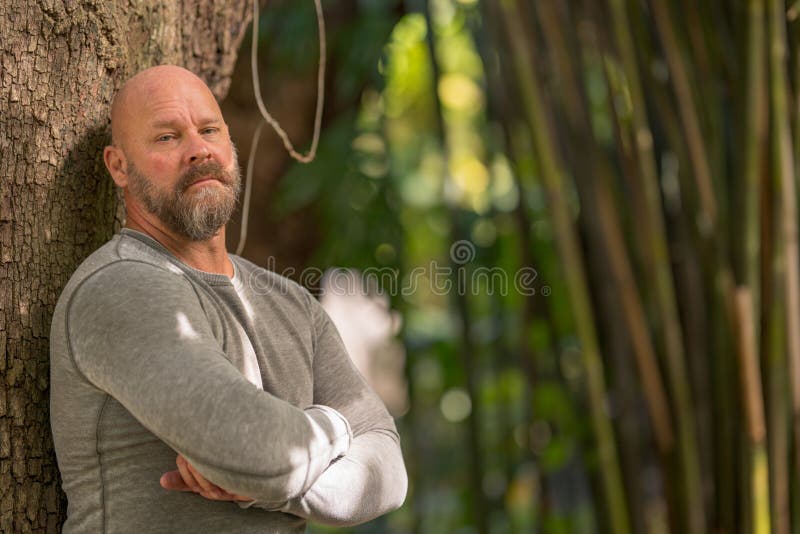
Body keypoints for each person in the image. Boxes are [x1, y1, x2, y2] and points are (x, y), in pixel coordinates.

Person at [49, 65, 407, 533]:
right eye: (166, 138)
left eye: (209, 130)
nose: (198, 150)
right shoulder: (120, 288)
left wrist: (272, 484)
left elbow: (387, 468)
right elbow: (261, 452)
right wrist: (337, 427)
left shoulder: (290, 303)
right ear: (119, 166)